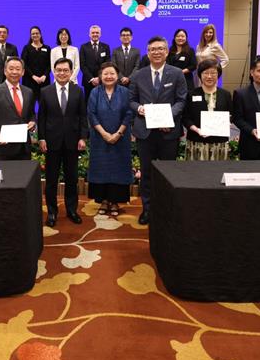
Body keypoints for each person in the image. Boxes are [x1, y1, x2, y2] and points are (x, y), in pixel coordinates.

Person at [129, 36, 187, 224]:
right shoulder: (138, 75)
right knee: (146, 172)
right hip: (145, 132)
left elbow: (181, 100)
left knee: (167, 172)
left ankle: (167, 207)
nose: (157, 52)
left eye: (160, 48)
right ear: (148, 52)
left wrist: (167, 117)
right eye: (153, 49)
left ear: (167, 51)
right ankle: (147, 209)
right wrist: (139, 109)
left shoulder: (177, 73)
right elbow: (131, 100)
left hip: (168, 132)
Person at [38, 58, 88, 226]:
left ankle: (72, 210)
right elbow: (42, 118)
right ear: (53, 71)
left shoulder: (78, 91)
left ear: (71, 71)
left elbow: (83, 116)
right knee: (51, 180)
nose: (62, 73)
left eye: (65, 70)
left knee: (72, 178)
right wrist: (42, 138)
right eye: (58, 70)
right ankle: (52, 212)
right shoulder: (45, 91)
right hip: (52, 142)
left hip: (72, 142)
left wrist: (82, 137)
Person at [88, 62, 134, 217]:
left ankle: (115, 201)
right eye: (105, 73)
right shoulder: (95, 92)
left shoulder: (125, 92)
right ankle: (103, 200)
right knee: (101, 168)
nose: (108, 76)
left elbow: (129, 114)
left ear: (117, 75)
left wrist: (118, 133)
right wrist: (104, 134)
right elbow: (91, 114)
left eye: (112, 73)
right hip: (100, 138)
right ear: (101, 76)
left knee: (118, 168)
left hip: (121, 138)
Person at [0, 57, 36, 160]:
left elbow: (31, 114)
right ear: (5, 71)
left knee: (25, 176)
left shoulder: (28, 92)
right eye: (11, 68)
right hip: (4, 147)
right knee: (7, 176)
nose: (14, 72)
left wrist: (33, 122)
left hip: (24, 147)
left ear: (23, 72)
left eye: (18, 69)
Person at [183, 59, 232, 161]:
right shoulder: (191, 94)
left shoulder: (226, 95)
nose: (209, 76)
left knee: (218, 173)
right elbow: (185, 118)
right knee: (196, 173)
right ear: (200, 75)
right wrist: (197, 130)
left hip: (220, 142)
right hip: (196, 142)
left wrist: (227, 123)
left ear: (218, 75)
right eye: (205, 73)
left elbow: (232, 115)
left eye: (213, 73)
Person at [21, 26, 51, 104]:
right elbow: (23, 64)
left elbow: (50, 64)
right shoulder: (26, 48)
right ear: (30, 36)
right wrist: (33, 76)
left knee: (44, 104)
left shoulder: (47, 48)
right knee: (29, 104)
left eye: (37, 33)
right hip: (29, 81)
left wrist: (45, 75)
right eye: (33, 34)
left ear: (40, 35)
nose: (35, 35)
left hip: (44, 81)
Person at [79, 24, 111, 100]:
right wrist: (92, 79)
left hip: (102, 80)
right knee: (89, 102)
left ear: (100, 34)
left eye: (97, 33)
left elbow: (107, 63)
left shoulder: (105, 47)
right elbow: (82, 65)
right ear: (89, 34)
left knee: (102, 102)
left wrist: (99, 78)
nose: (95, 34)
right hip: (88, 81)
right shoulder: (84, 47)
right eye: (93, 33)